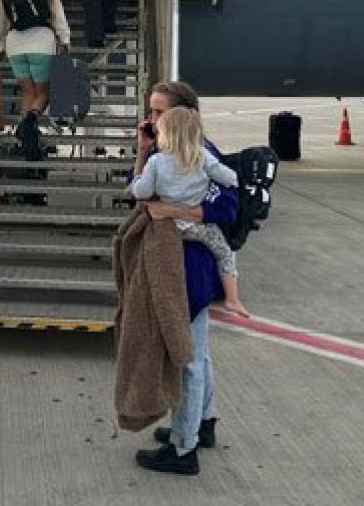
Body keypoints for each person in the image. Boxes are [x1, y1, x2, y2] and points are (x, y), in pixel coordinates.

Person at [132, 82, 239, 476]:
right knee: (198, 351)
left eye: (159, 112)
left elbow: (228, 206)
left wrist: (172, 210)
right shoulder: (164, 152)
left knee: (186, 357)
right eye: (151, 111)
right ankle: (201, 422)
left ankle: (183, 447)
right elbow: (141, 195)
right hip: (183, 259)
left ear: (183, 115)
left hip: (188, 264)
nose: (151, 119)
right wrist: (143, 152)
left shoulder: (198, 151)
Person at [131, 106, 249, 318]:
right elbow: (229, 177)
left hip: (167, 224)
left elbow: (142, 192)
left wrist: (137, 180)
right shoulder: (200, 155)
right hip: (198, 227)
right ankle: (233, 299)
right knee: (224, 252)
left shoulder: (156, 161)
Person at [0, 0, 70, 139]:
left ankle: (24, 135)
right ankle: (30, 123)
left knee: (27, 91)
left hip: (15, 45)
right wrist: (64, 39)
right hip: (42, 43)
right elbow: (58, 13)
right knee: (44, 92)